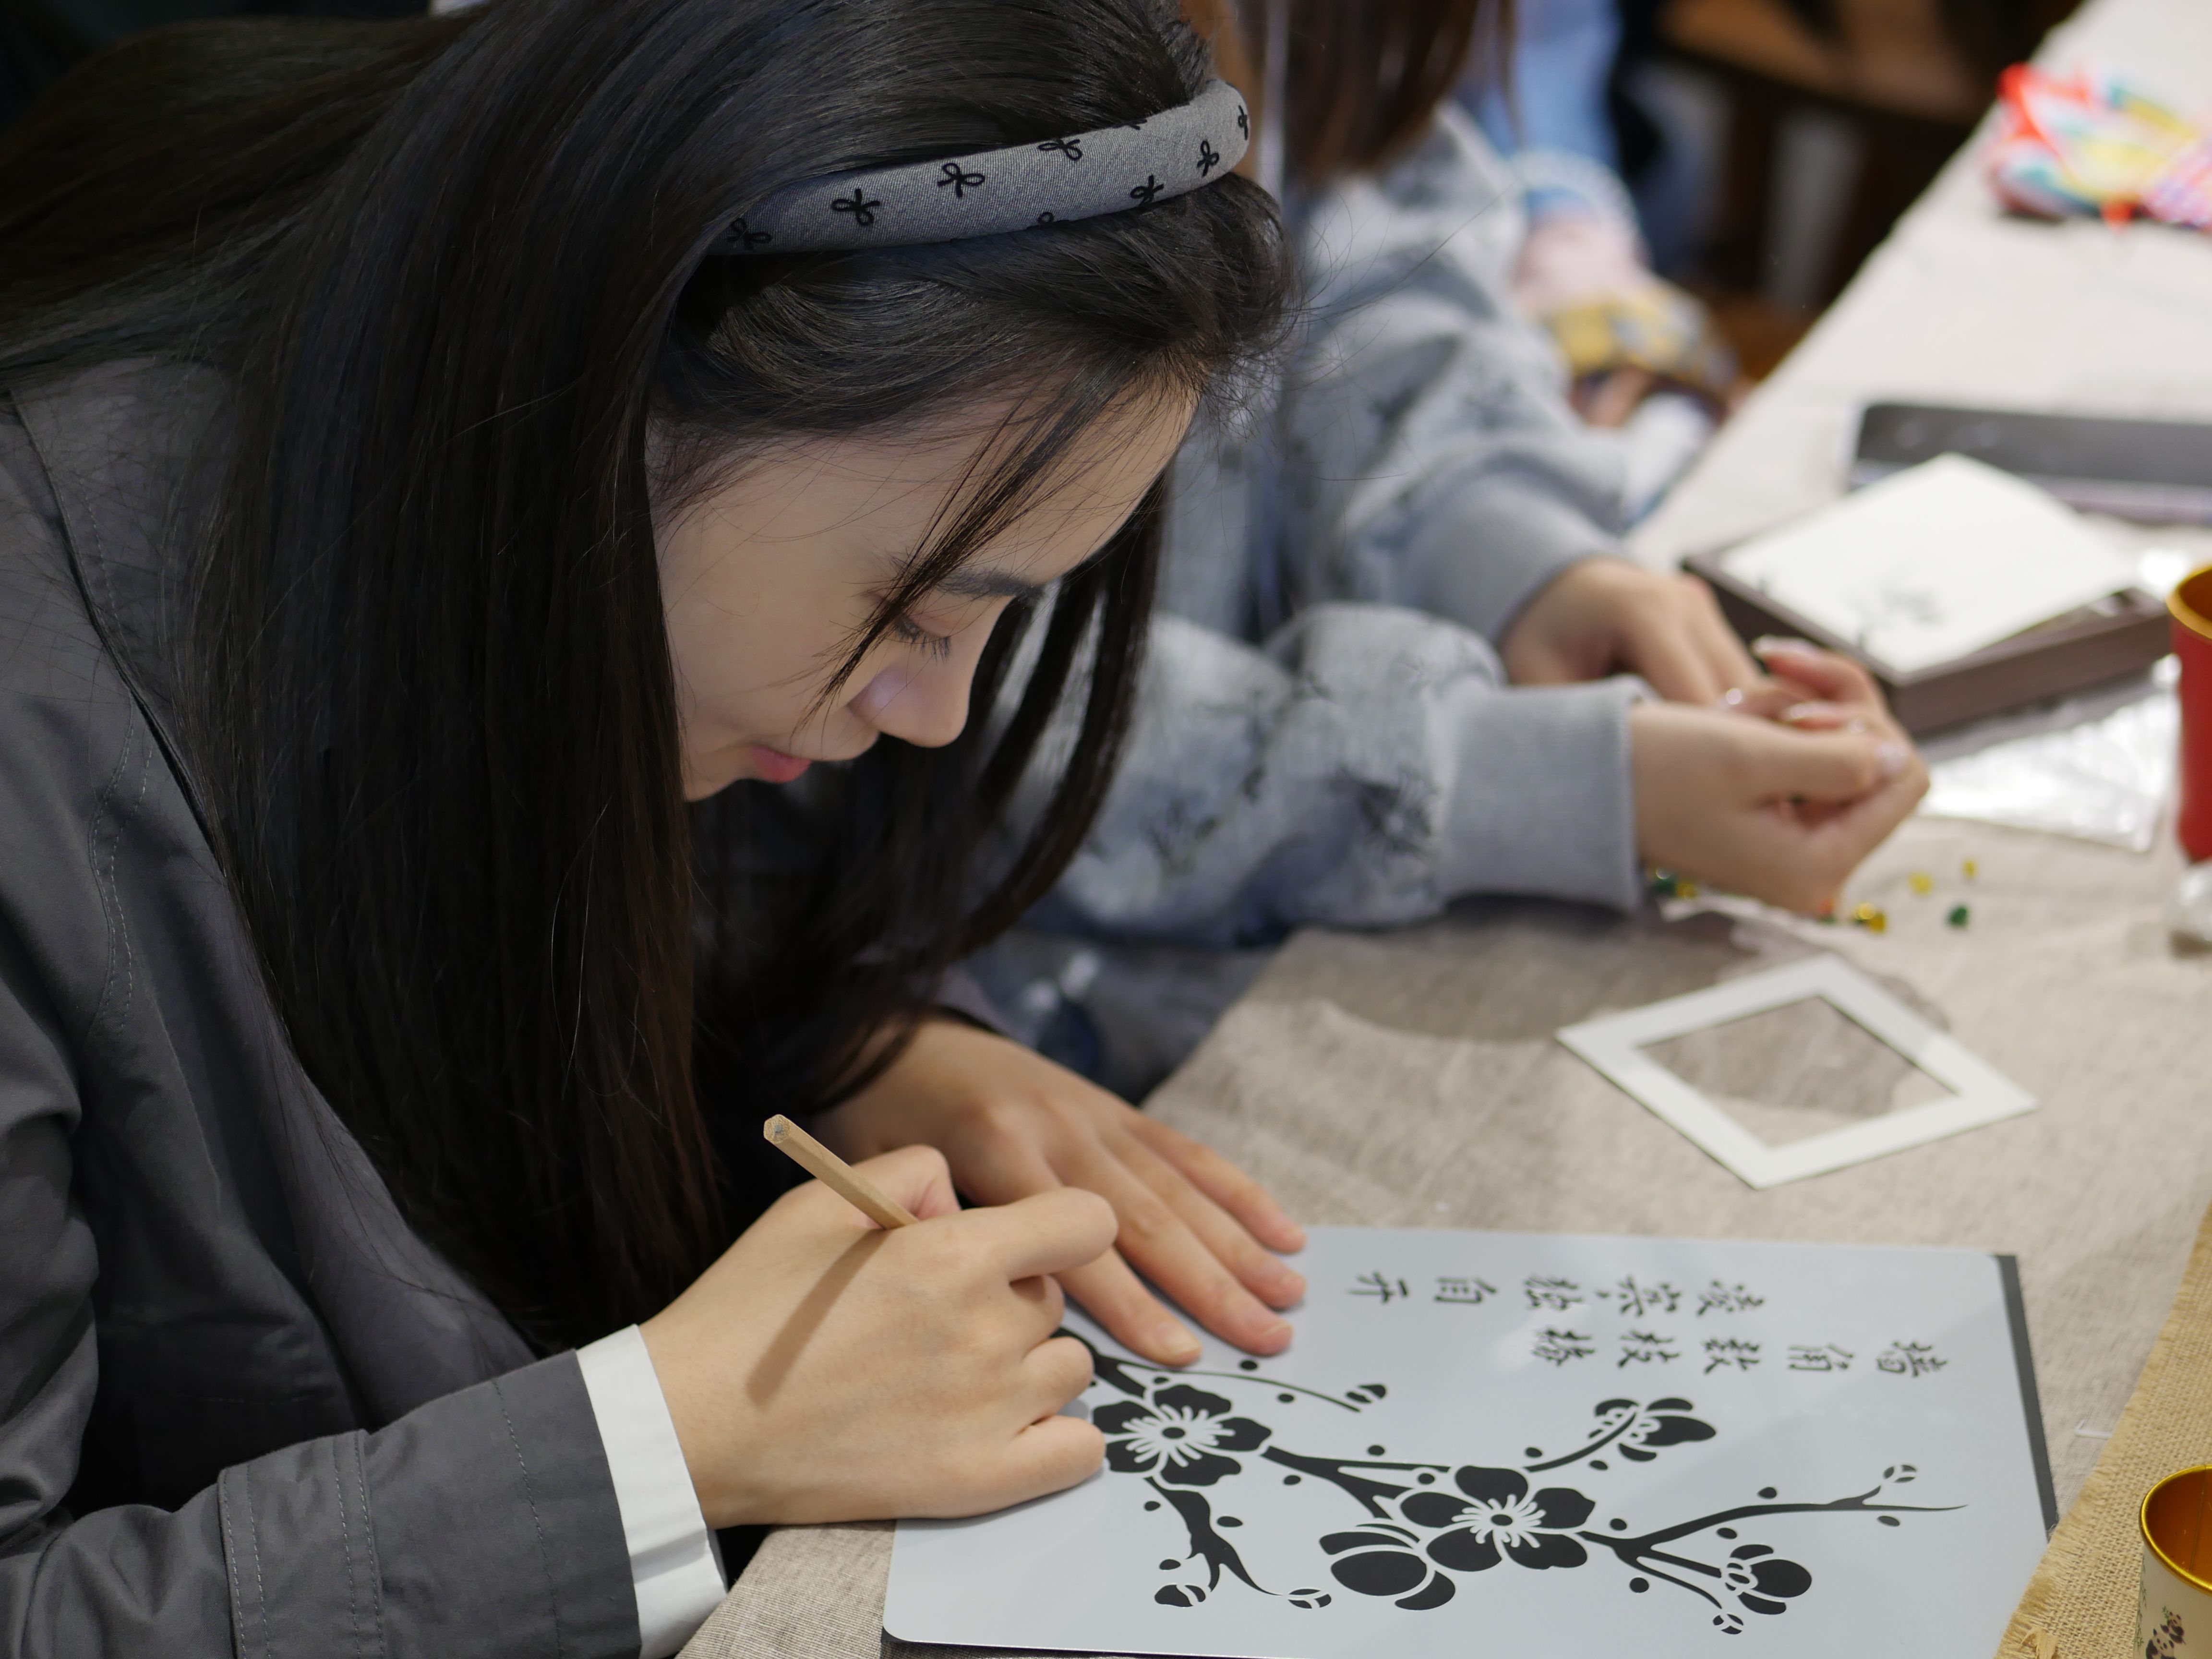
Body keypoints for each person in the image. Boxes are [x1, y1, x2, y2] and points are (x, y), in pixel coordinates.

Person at [0, 1, 1290, 1652]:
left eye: (1003, 617)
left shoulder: (475, 512)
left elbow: (635, 860)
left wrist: (832, 1036)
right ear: (604, 404)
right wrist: (675, 1444)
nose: (939, 712)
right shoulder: (49, 734)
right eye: (915, 608)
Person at [875, 0, 1927, 1356]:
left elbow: (1375, 262)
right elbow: (950, 672)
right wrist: (1503, 777)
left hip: (1130, 952)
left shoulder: (1310, 48)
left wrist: (1524, 559)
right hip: (947, 991)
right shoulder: (919, 97)